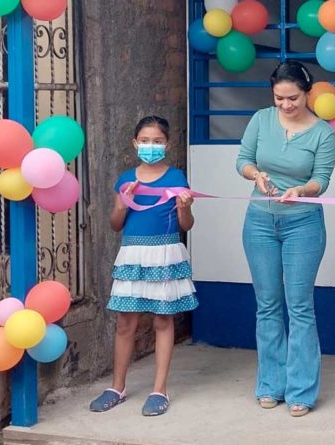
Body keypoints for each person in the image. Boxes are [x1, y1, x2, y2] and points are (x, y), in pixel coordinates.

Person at [236, 61, 335, 417]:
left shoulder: (323, 133)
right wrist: (256, 175)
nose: (285, 105)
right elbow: (243, 160)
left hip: (303, 225)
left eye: (292, 98)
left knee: (300, 306)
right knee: (267, 305)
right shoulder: (261, 120)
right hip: (259, 222)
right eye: (279, 98)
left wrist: (302, 190)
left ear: (307, 93)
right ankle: (269, 385)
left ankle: (301, 392)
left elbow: (321, 179)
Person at [90, 116, 197, 416]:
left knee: (163, 321)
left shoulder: (176, 178)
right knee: (126, 322)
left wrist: (184, 208)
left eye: (158, 141)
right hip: (132, 254)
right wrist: (121, 205)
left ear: (168, 144)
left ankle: (158, 390)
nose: (151, 146)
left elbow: (186, 225)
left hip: (165, 253)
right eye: (146, 141)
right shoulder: (125, 179)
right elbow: (115, 225)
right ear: (135, 143)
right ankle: (117, 387)